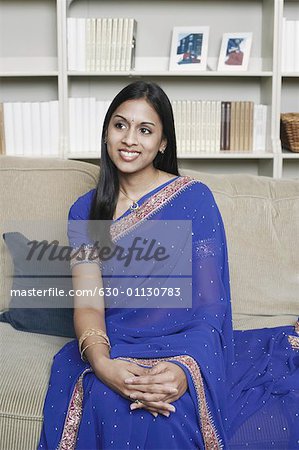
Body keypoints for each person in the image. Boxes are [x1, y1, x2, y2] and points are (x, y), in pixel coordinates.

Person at [38, 81, 299, 450]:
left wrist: (185, 369)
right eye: (120, 125)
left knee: (169, 416)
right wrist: (103, 365)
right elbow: (89, 303)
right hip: (117, 345)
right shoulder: (85, 211)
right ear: (107, 132)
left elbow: (210, 306)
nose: (130, 139)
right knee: (110, 404)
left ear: (162, 142)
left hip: (185, 344)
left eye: (145, 130)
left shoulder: (194, 199)